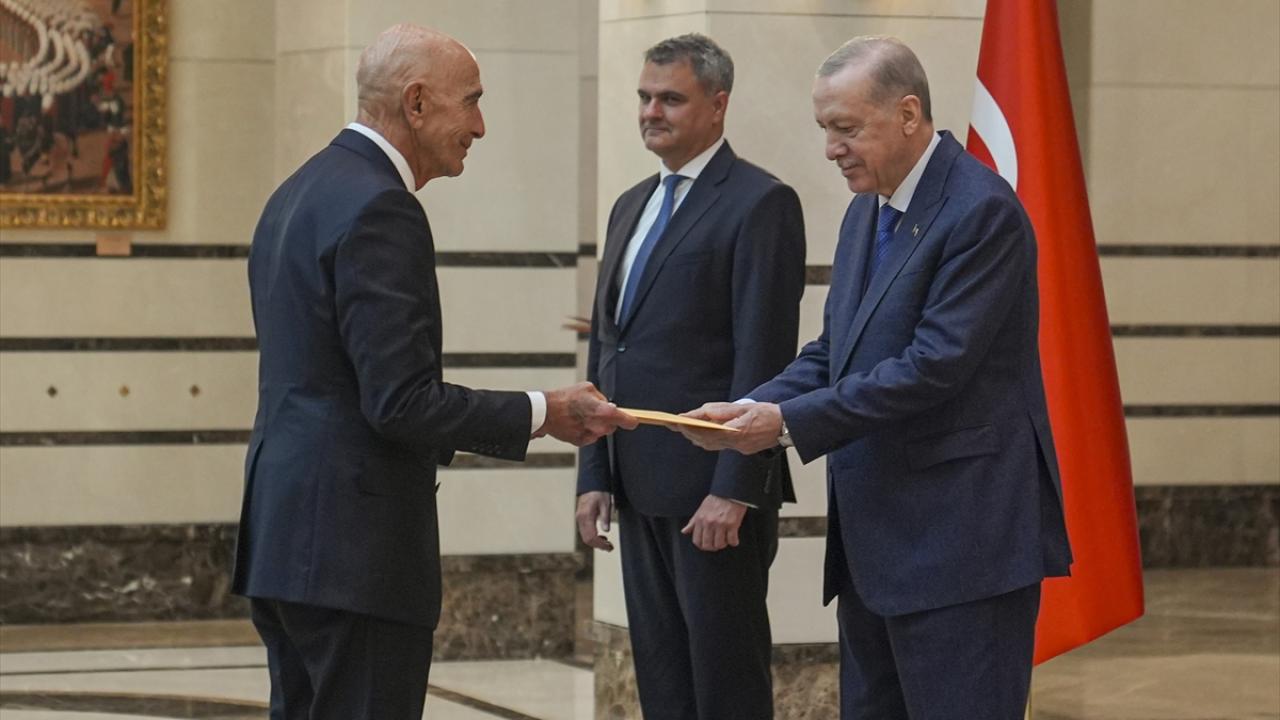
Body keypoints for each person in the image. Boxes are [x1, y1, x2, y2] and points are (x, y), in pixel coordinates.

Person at [231, 24, 635, 719]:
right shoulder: (381, 207)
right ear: (416, 103)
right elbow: (401, 403)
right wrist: (546, 412)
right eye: (471, 101)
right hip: (352, 553)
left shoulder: (298, 191)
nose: (480, 125)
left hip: (284, 535)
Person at [678, 36, 1073, 719]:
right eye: (825, 129)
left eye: (847, 129)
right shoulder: (867, 209)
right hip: (875, 552)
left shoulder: (982, 211)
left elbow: (933, 366)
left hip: (961, 549)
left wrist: (786, 424)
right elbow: (836, 351)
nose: (831, 149)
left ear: (909, 114)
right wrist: (750, 408)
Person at [576, 34, 806, 720]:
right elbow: (607, 349)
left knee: (725, 685)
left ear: (718, 104)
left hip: (713, 496)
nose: (652, 112)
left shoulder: (761, 202)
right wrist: (594, 472)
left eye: (671, 99)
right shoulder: (630, 204)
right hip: (638, 483)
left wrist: (733, 487)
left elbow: (764, 358)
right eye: (645, 97)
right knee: (664, 685)